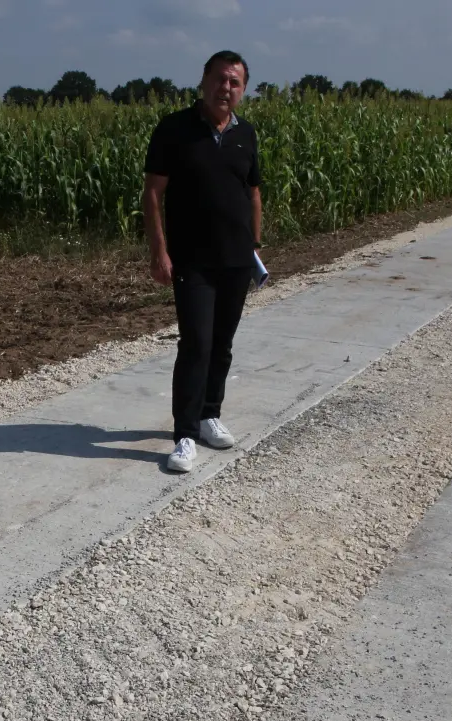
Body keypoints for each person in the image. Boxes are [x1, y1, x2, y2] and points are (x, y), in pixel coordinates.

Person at [142, 49, 263, 474]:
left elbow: (252, 192)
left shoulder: (245, 133)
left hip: (236, 260)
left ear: (243, 89)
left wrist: (256, 245)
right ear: (204, 80)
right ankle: (185, 435)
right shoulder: (175, 129)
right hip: (192, 261)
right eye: (219, 79)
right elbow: (153, 193)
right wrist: (159, 250)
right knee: (196, 344)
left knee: (223, 344)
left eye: (234, 82)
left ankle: (211, 413)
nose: (225, 88)